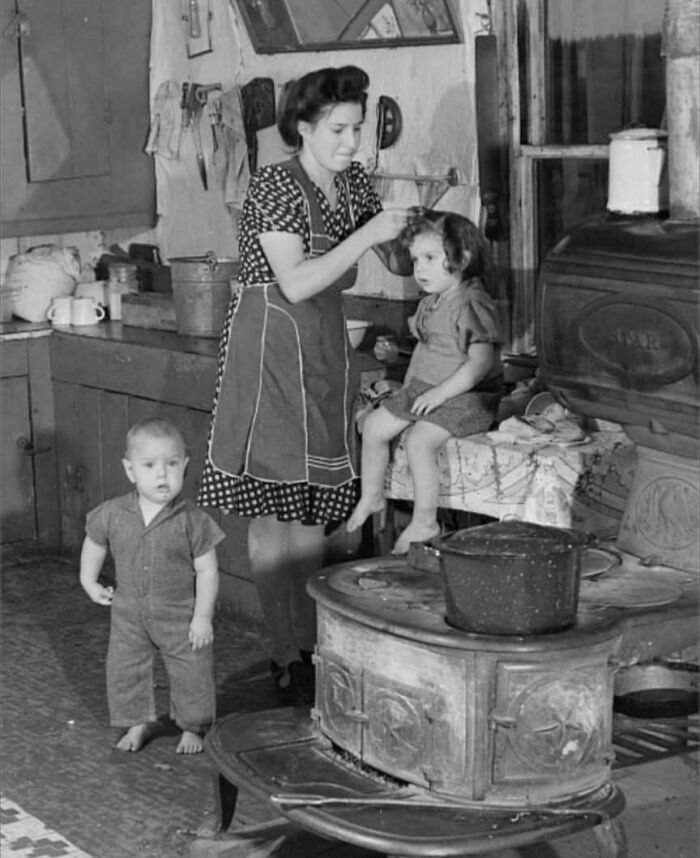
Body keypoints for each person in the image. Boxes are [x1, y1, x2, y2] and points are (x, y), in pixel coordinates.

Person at [197, 65, 408, 705]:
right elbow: (296, 281)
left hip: (321, 349)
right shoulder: (273, 185)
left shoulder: (352, 185)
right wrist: (372, 233)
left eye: (358, 128)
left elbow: (391, 257)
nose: (351, 142)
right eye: (338, 130)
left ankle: (311, 646)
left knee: (314, 502)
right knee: (271, 512)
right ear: (304, 128)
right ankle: (283, 651)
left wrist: (419, 230)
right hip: (269, 350)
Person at [347, 209, 504, 554]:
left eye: (431, 258)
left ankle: (425, 519)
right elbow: (426, 349)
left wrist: (438, 393)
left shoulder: (471, 302)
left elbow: (480, 364)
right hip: (426, 390)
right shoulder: (434, 300)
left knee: (419, 441)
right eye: (416, 259)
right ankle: (372, 496)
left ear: (462, 259)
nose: (419, 268)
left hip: (468, 396)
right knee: (373, 427)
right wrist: (406, 388)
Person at [80, 417, 224, 754]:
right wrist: (89, 580)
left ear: (185, 466)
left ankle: (193, 725)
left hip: (179, 615)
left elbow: (208, 572)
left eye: (172, 464)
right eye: (150, 465)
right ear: (130, 470)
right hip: (129, 612)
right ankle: (137, 722)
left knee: (193, 670)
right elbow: (95, 542)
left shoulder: (194, 521)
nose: (162, 474)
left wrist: (202, 617)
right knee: (124, 669)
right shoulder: (113, 513)